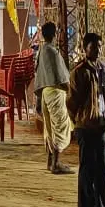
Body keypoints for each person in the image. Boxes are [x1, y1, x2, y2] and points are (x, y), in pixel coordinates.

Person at [67, 32, 105, 207]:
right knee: (87, 170)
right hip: (86, 127)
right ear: (85, 49)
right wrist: (78, 122)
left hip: (101, 126)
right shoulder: (79, 72)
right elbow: (72, 102)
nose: (98, 50)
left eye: (100, 46)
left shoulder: (103, 70)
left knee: (102, 170)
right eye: (94, 47)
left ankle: (101, 205)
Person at [34, 21, 74, 175]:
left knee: (50, 127)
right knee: (60, 127)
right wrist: (70, 91)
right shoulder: (52, 51)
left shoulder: (42, 50)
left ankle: (50, 162)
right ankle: (56, 163)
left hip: (45, 92)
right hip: (55, 92)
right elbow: (61, 76)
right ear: (55, 34)